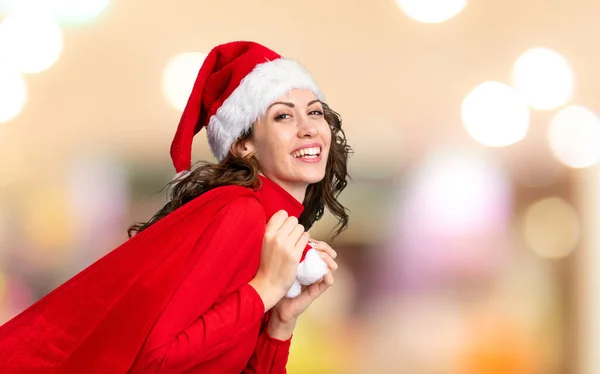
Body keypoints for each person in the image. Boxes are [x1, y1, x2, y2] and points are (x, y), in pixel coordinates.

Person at [0, 40, 351, 373]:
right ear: (243, 144)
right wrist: (265, 289)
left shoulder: (271, 229)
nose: (308, 128)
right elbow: (154, 361)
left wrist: (281, 321)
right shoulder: (240, 211)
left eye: (315, 112)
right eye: (283, 117)